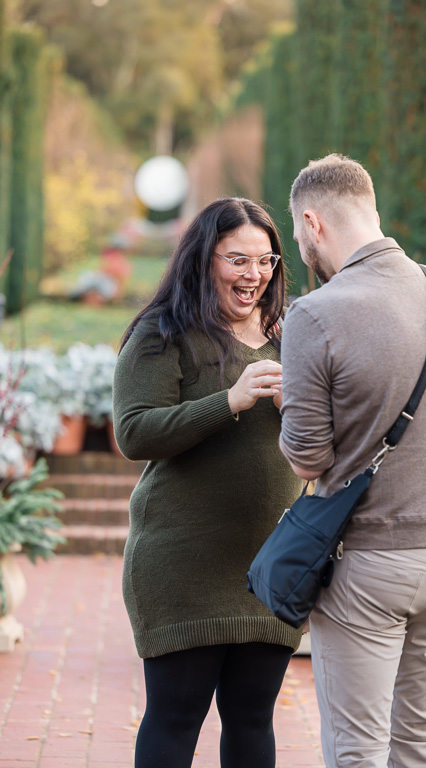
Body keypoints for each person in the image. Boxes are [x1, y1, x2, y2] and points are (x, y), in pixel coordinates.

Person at [278, 154, 426, 768]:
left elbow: (308, 456)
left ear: (314, 223)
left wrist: (287, 407)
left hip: (373, 558)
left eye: (298, 237)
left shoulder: (315, 313)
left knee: (358, 750)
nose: (302, 251)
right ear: (373, 211)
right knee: (419, 743)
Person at [112, 198, 303, 768]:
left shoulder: (290, 335)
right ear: (203, 259)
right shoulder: (163, 332)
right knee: (175, 720)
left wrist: (307, 412)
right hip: (182, 566)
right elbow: (135, 433)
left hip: (270, 568)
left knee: (252, 721)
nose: (255, 276)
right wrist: (230, 400)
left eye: (266, 261)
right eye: (238, 261)